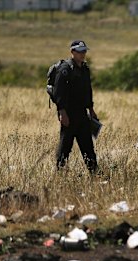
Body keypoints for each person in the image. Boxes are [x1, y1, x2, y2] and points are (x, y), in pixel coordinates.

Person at [54, 40, 99, 173]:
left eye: (84, 51)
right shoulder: (65, 69)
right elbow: (58, 93)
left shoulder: (85, 69)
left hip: (82, 113)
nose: (82, 54)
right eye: (79, 51)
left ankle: (94, 173)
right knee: (65, 145)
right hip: (68, 113)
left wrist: (91, 109)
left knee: (87, 145)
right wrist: (62, 113)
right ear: (72, 52)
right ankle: (60, 172)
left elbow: (88, 90)